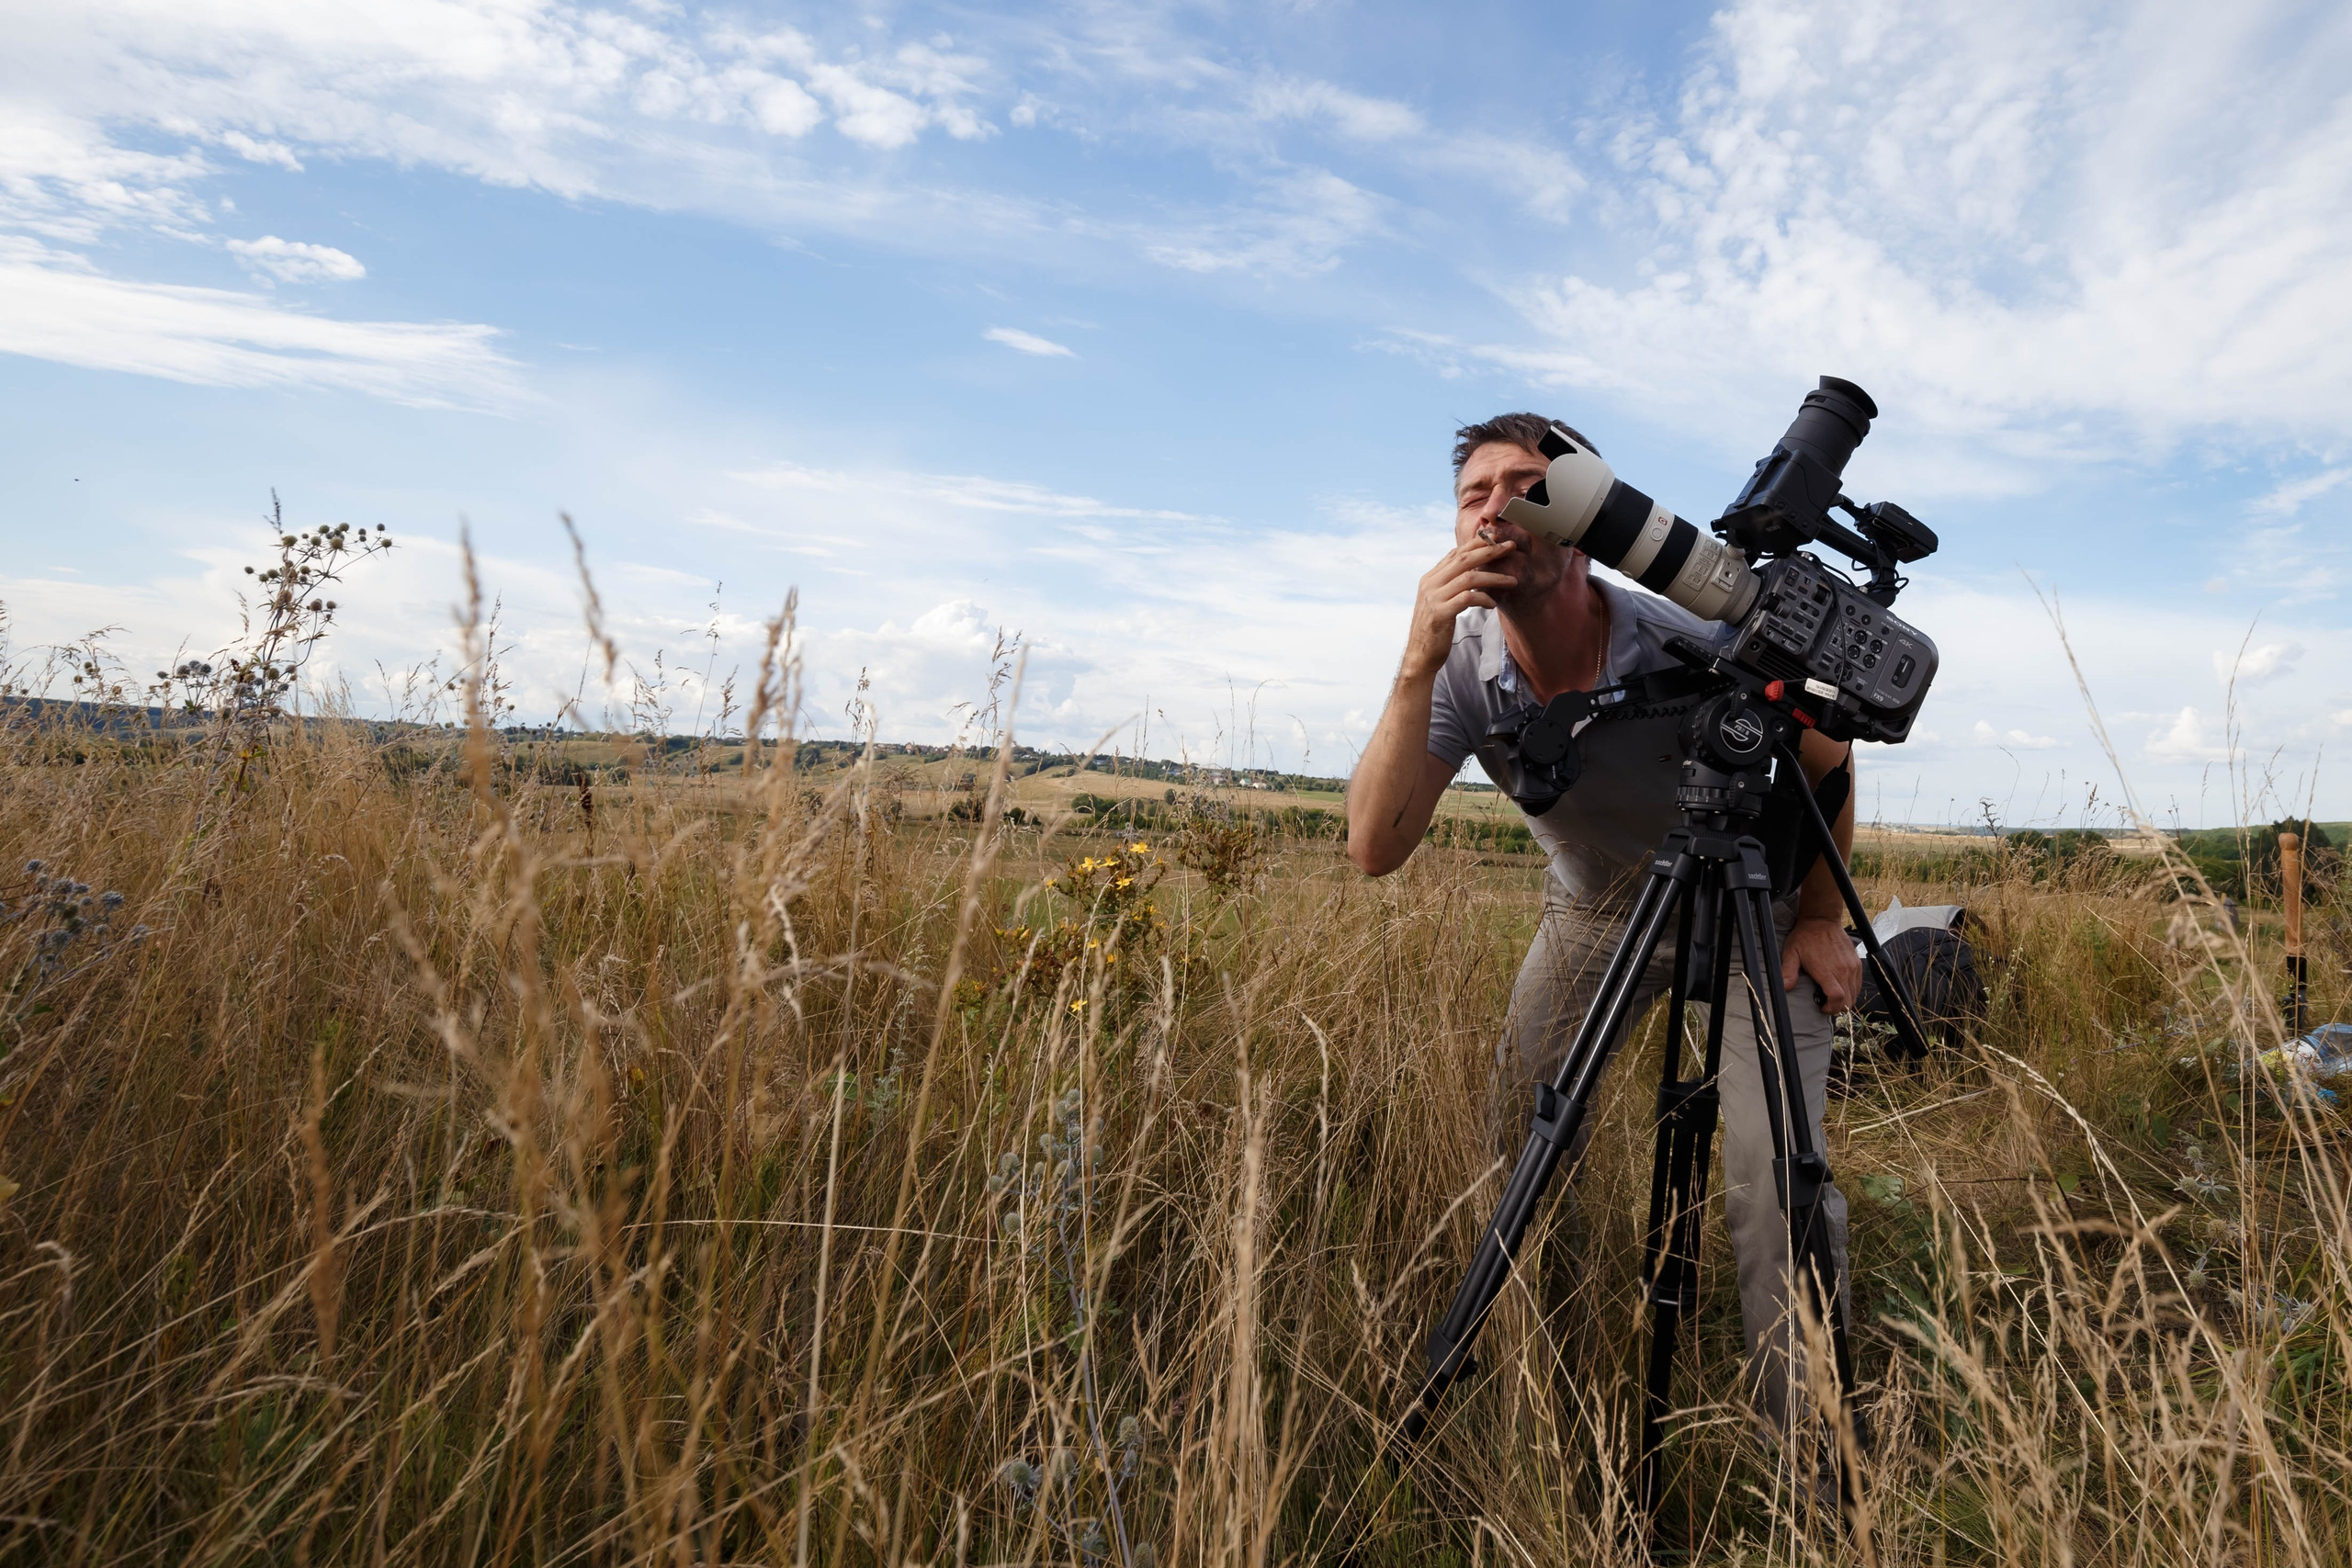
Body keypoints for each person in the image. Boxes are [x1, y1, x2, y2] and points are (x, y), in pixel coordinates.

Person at [1344, 412, 1861, 1438]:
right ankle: (1546, 1377)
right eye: (1473, 494)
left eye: (1529, 487)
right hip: (1593, 913)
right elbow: (1373, 847)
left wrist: (1817, 920)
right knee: (1521, 1137)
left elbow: (1828, 758)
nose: (1497, 509)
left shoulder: (1687, 632)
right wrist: (1415, 659)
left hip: (1753, 909)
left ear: (1585, 519)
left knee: (1772, 1187)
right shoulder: (1459, 664)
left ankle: (1815, 1462)